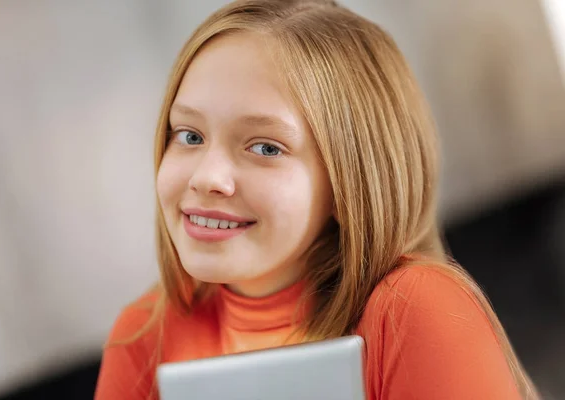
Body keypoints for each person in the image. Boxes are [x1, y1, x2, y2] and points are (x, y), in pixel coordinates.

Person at [94, 0, 539, 398]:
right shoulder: (144, 334)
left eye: (266, 147)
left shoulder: (412, 310)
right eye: (189, 135)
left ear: (351, 182)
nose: (207, 177)